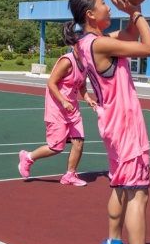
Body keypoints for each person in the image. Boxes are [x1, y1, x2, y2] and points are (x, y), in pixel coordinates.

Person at [62, 0, 150, 244]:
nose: (108, 6)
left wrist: (133, 9)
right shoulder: (101, 44)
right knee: (139, 195)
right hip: (125, 124)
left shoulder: (88, 42)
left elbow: (130, 34)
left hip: (111, 123)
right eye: (103, 3)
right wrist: (137, 12)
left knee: (120, 186)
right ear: (90, 14)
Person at [18, 46, 97, 186]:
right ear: (74, 46)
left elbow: (82, 86)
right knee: (56, 148)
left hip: (72, 110)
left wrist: (88, 99)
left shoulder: (85, 64)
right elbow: (51, 83)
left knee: (78, 142)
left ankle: (69, 175)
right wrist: (63, 101)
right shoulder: (67, 61)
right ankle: (28, 157)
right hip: (57, 110)